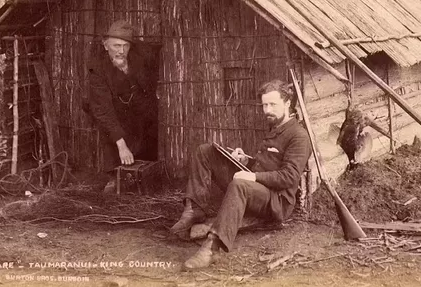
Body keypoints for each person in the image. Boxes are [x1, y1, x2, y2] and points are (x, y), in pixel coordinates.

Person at [170, 80, 312, 270]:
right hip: (258, 190)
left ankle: (211, 248)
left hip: (276, 201)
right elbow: (267, 164)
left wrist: (252, 177)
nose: (267, 110)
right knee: (206, 151)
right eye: (264, 105)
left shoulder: (298, 136)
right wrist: (247, 162)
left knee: (240, 185)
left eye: (272, 105)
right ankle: (194, 209)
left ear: (287, 103)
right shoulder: (275, 126)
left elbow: (289, 177)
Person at [88, 20, 158, 168]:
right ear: (106, 45)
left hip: (138, 107)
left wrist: (127, 72)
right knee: (113, 140)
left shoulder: (138, 59)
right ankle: (113, 175)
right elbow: (103, 109)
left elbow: (148, 86)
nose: (121, 51)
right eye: (116, 46)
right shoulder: (97, 69)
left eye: (125, 46)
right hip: (113, 111)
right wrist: (121, 145)